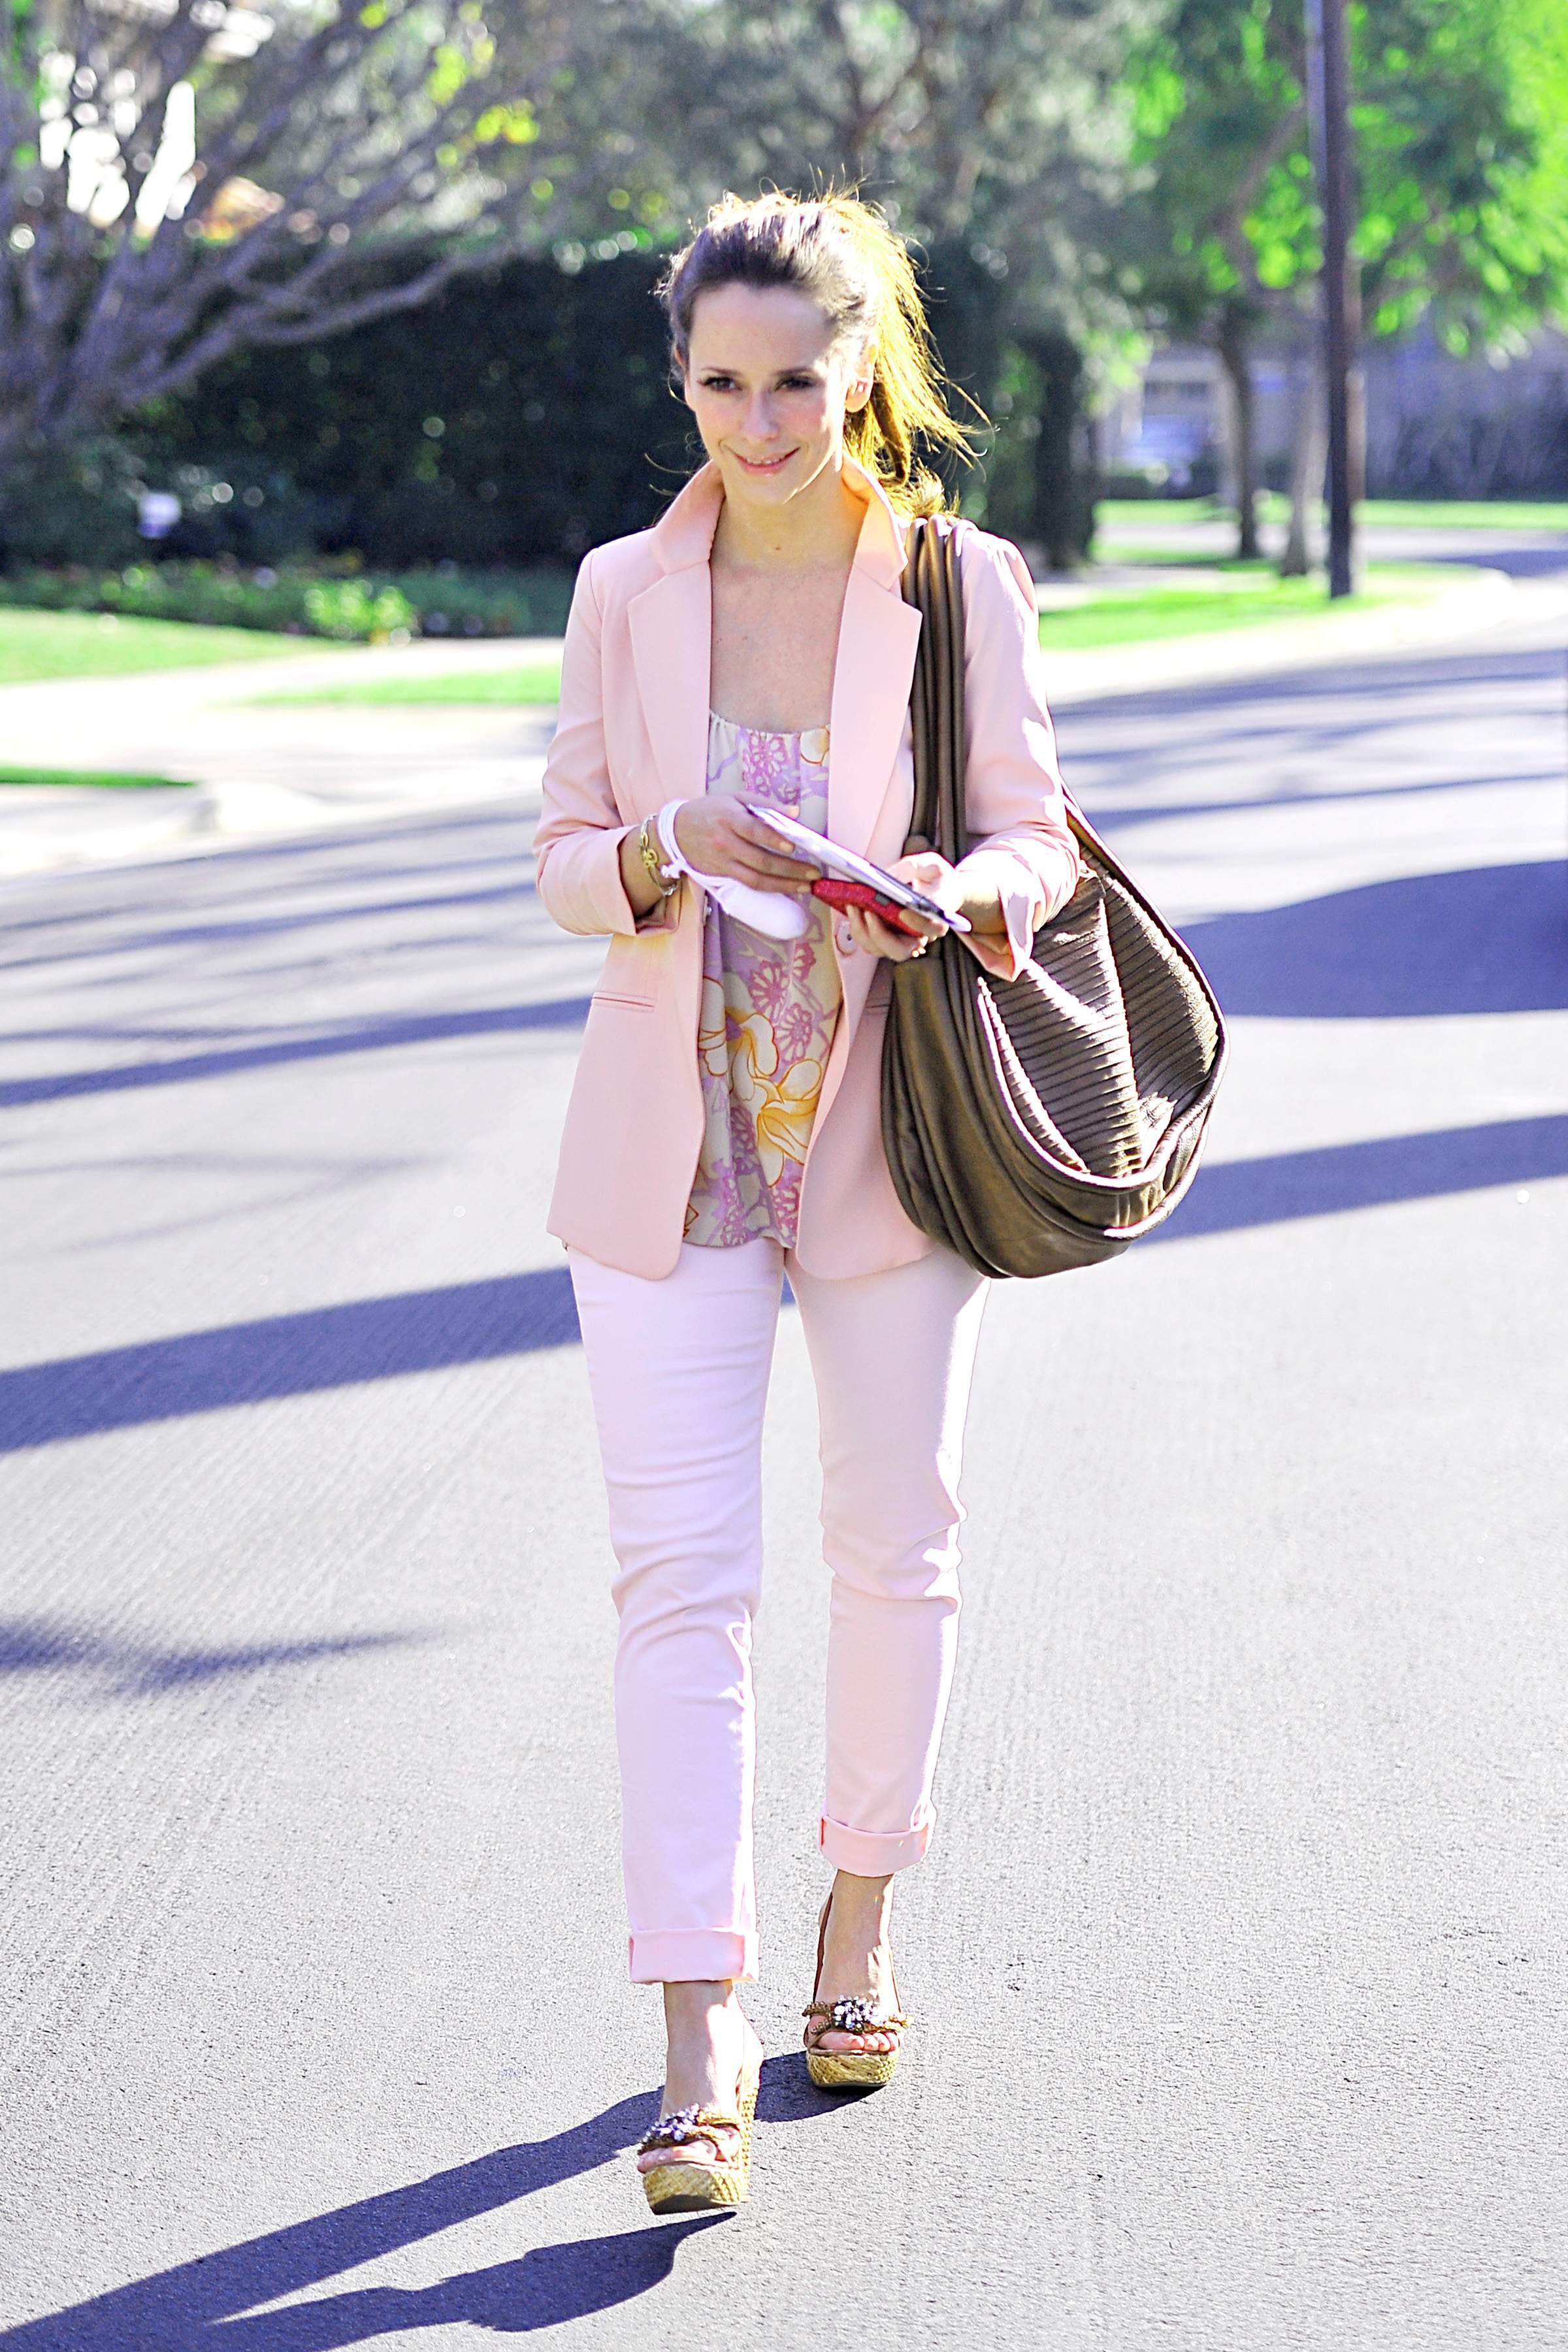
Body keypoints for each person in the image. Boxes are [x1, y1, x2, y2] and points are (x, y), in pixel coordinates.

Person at [532, 189, 1080, 2215]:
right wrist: (659, 842)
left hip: (884, 1130)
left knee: (892, 1548)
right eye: (720, 383)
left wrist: (967, 892)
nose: (758, 423)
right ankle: (698, 2037)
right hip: (670, 1144)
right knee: (677, 1587)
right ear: (681, 378)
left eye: (794, 381)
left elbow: (1036, 833)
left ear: (861, 371)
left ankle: (859, 1927)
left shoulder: (957, 580)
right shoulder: (622, 589)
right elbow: (565, 851)